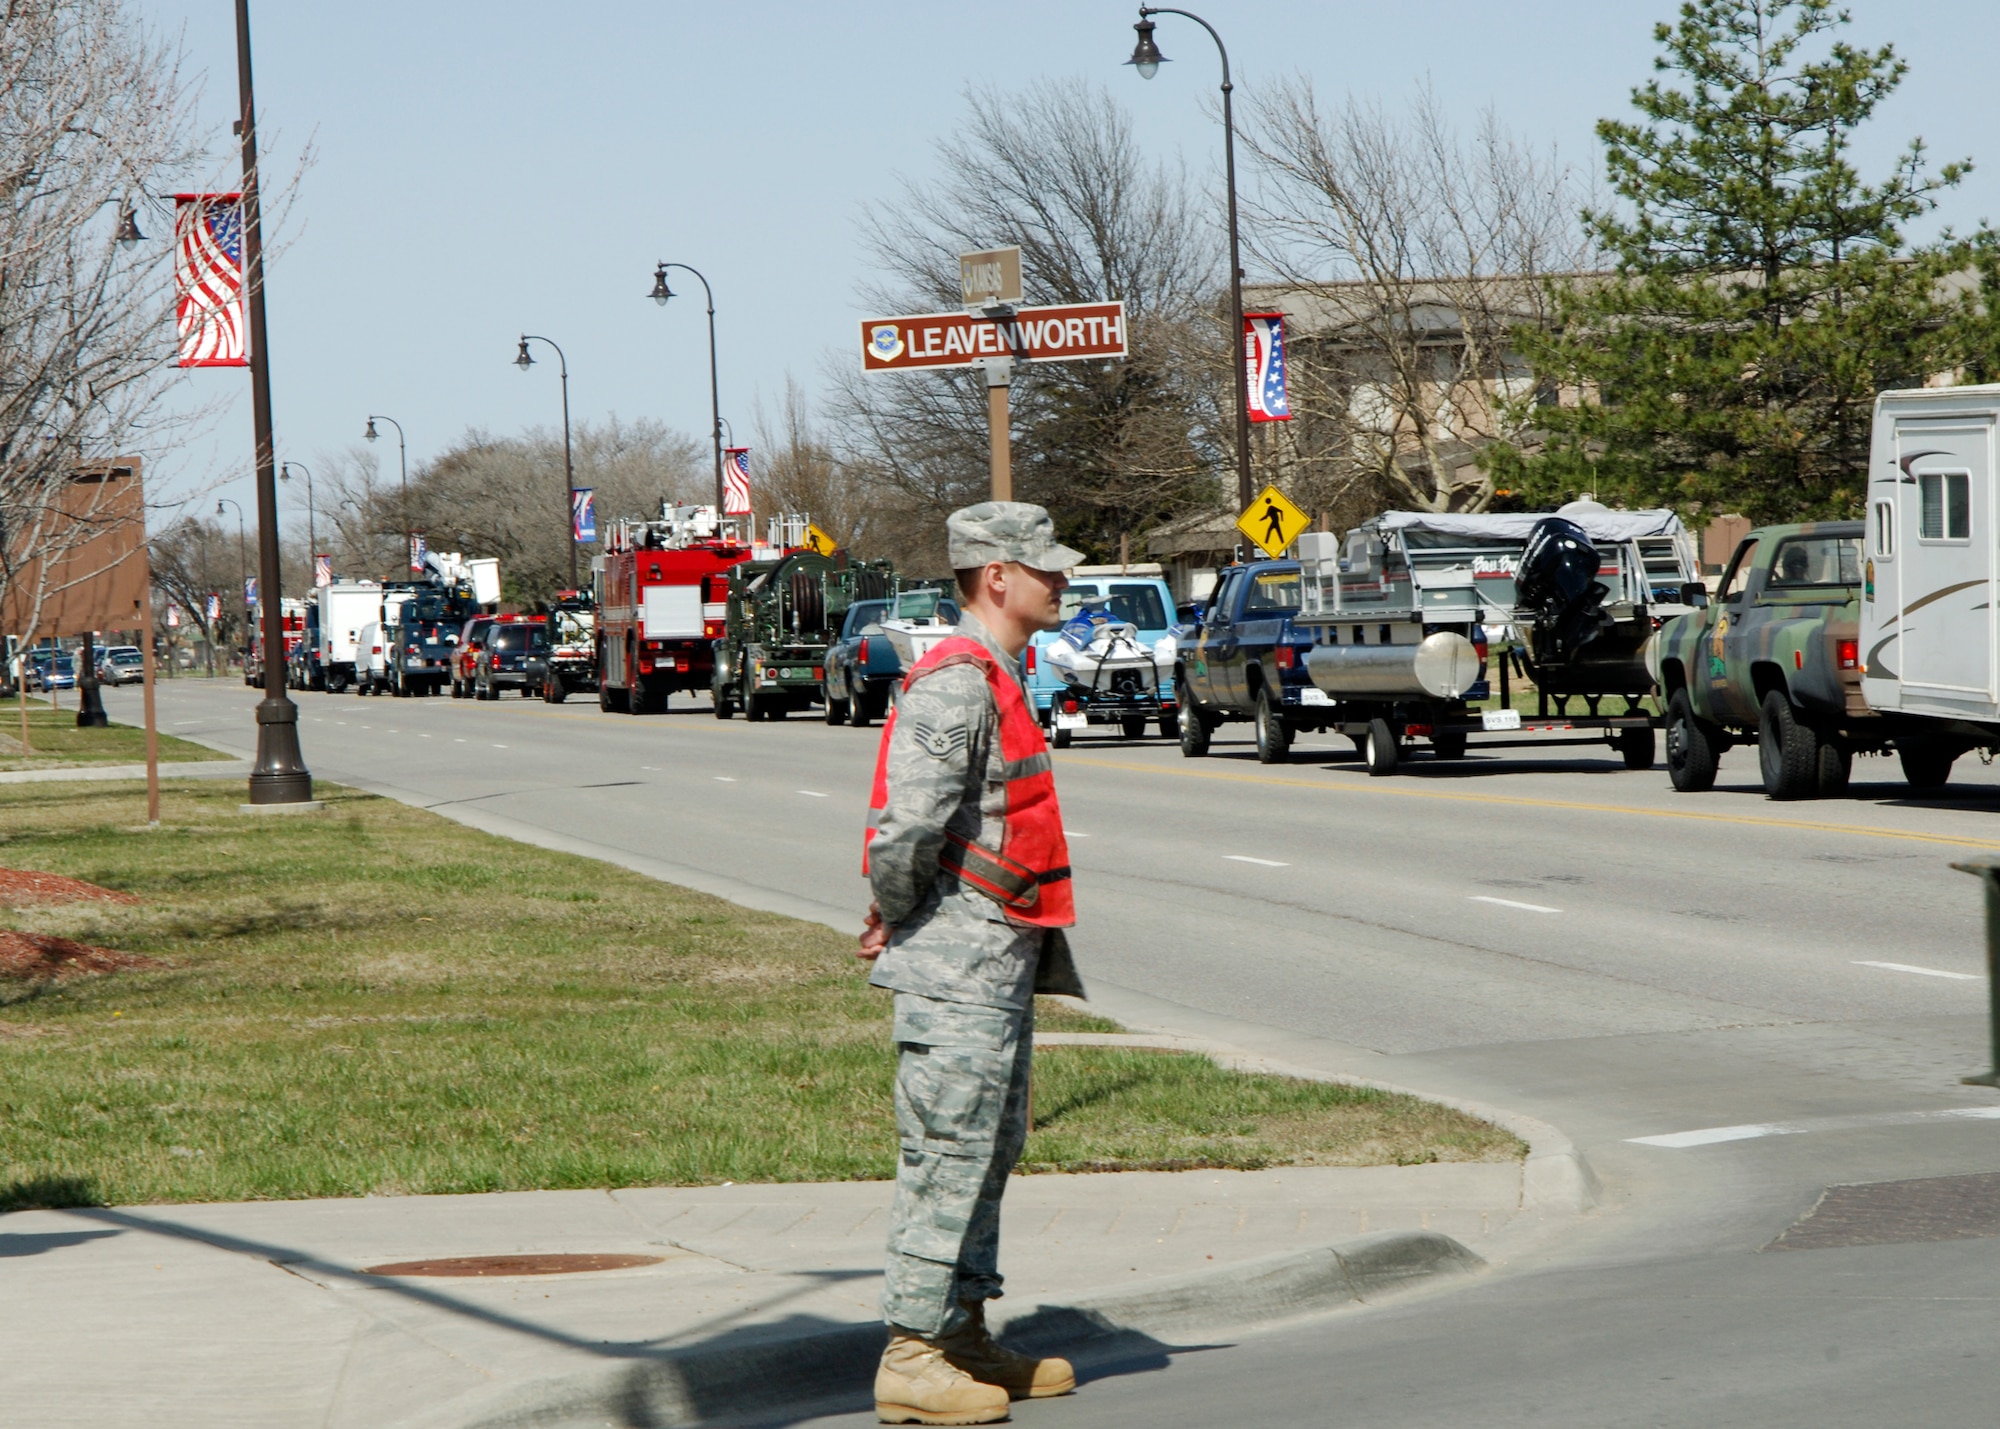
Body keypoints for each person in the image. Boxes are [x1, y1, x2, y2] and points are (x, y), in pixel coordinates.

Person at [858, 501, 1087, 1426]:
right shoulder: (954, 682)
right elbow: (905, 827)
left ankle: (960, 1331)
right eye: (1046, 568)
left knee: (989, 1148)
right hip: (956, 966)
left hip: (994, 964)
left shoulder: (998, 672)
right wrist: (899, 914)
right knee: (948, 1149)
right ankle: (911, 1353)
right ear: (998, 575)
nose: (1060, 580)